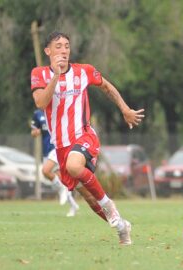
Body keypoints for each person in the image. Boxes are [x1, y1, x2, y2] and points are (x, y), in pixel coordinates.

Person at [30, 31, 144, 245]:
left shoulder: (84, 71)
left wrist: (125, 109)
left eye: (66, 45)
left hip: (84, 136)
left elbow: (107, 87)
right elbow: (41, 103)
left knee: (75, 166)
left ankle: (109, 205)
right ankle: (121, 226)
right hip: (61, 145)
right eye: (58, 46)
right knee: (90, 199)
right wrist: (56, 75)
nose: (63, 50)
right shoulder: (39, 73)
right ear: (48, 51)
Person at [31, 109, 79, 217]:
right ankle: (73, 206)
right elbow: (33, 132)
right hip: (46, 151)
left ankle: (62, 189)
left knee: (45, 171)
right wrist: (36, 132)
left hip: (57, 147)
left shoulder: (57, 108)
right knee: (61, 180)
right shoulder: (38, 114)